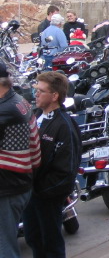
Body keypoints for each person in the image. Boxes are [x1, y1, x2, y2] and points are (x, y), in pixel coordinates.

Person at [23, 71, 81, 258]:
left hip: (46, 196)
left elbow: (67, 169)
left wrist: (43, 191)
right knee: (33, 238)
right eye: (35, 90)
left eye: (41, 91)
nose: (36, 95)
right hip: (30, 193)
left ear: (55, 96)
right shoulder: (35, 116)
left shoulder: (64, 125)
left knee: (51, 244)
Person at [0, 62, 41, 258]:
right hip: (21, 182)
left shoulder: (5, 110)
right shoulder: (19, 101)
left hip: (7, 187)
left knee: (4, 247)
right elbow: (35, 150)